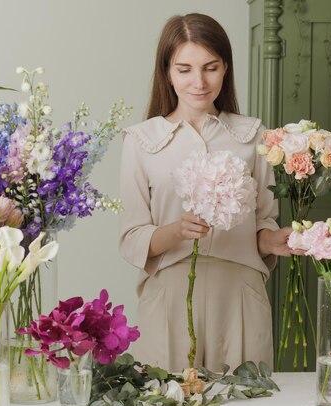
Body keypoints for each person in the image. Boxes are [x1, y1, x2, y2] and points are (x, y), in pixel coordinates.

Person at [119, 13, 292, 372]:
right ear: (167, 71)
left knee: (248, 405)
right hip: (169, 296)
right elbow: (132, 238)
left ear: (225, 68)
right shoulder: (141, 141)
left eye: (210, 68)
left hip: (240, 296)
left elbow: (261, 222)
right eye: (184, 69)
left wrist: (272, 239)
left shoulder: (253, 135)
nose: (199, 82)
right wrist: (177, 230)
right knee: (166, 401)